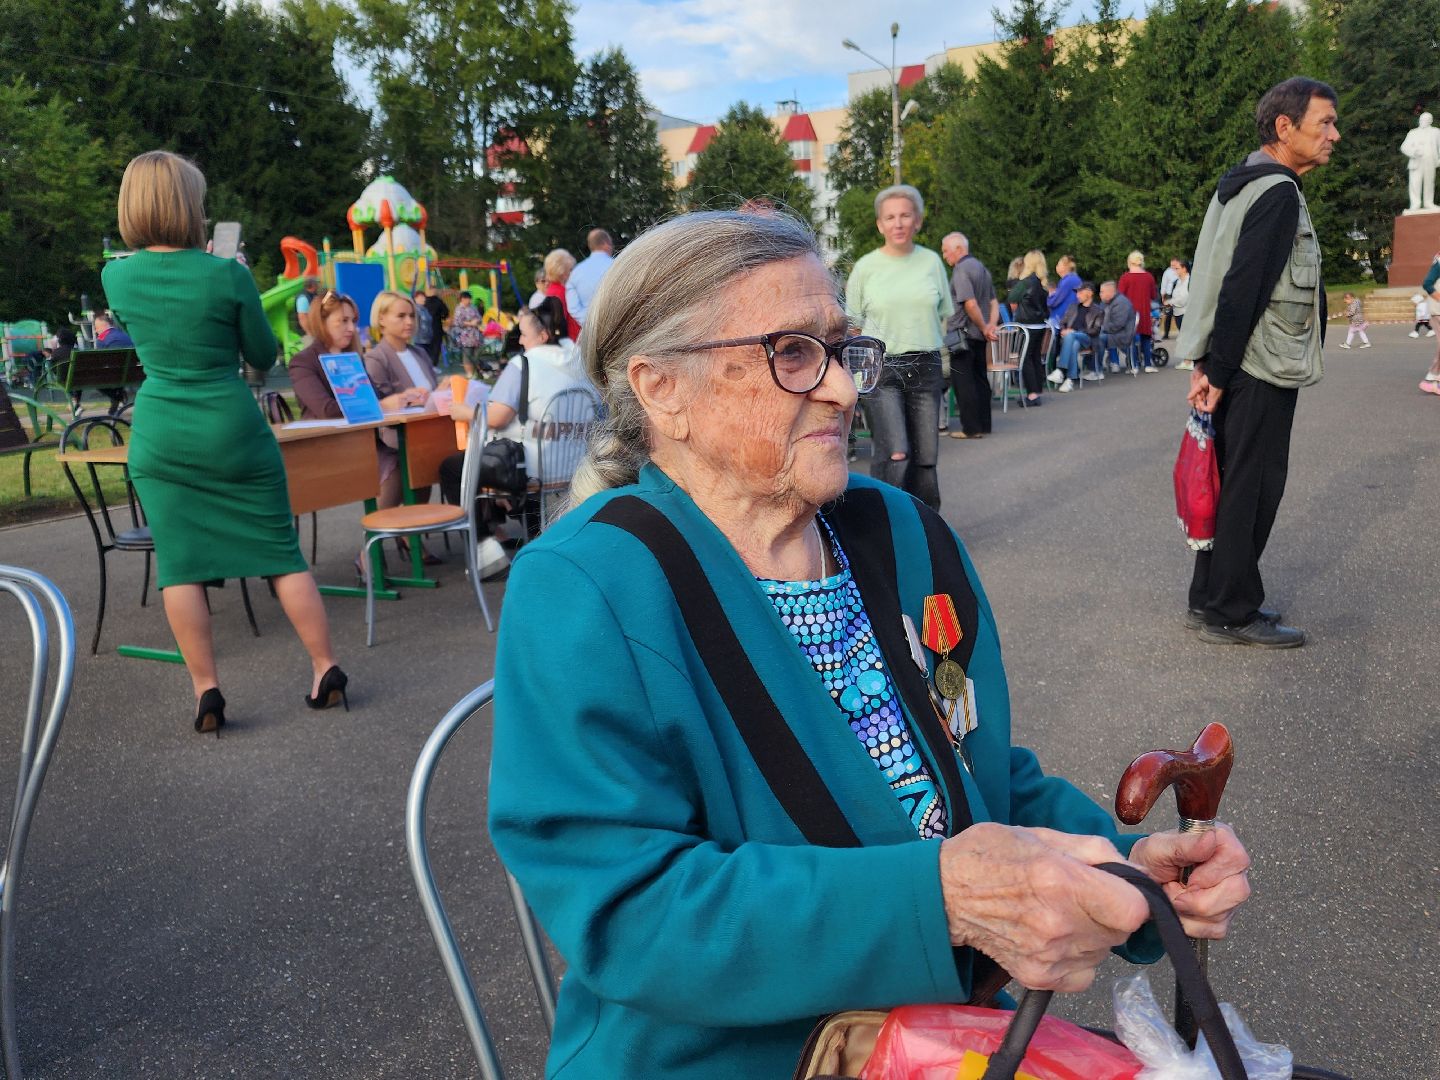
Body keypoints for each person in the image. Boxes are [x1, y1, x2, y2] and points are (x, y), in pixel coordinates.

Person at [487, 210, 1254, 1080]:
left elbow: (975, 770)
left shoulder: (899, 534)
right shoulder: (585, 586)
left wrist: (1130, 875)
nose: (846, 390)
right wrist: (943, 902)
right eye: (791, 354)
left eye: (839, 347)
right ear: (663, 389)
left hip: (947, 1038)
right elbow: (631, 912)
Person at [101, 150, 347, 733]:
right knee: (280, 555)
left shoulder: (116, 276)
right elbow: (263, 356)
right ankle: (324, 667)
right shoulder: (228, 275)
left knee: (180, 567)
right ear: (190, 206)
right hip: (232, 426)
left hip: (161, 433)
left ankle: (207, 691)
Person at [1180, 76, 1338, 648]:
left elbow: (1216, 277)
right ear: (1284, 127)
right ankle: (1232, 610)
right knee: (1255, 484)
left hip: (1237, 361)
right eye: (1324, 123)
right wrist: (1218, 374)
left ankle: (1212, 597)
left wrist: (1209, 365)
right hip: (1261, 364)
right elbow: (1243, 286)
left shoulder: (1242, 184)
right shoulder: (1277, 192)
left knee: (1229, 482)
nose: (1334, 135)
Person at [440, 302, 591, 577]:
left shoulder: (523, 364)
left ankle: (485, 551)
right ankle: (510, 536)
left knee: (453, 468)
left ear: (542, 335)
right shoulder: (581, 361)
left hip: (527, 467)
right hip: (573, 464)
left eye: (523, 334)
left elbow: (497, 416)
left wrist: (463, 410)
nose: (520, 341)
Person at [845, 185, 953, 508]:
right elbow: (851, 324)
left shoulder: (932, 262)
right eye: (890, 217)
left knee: (926, 456)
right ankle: (885, 521)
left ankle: (927, 525)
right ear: (880, 224)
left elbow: (944, 314)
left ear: (917, 221)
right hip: (882, 366)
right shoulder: (866, 268)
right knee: (896, 451)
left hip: (926, 363)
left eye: (906, 215)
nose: (898, 223)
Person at [364, 291, 439, 546]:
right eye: (401, 316)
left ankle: (411, 536)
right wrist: (403, 398)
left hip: (428, 433)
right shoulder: (376, 357)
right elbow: (374, 405)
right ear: (382, 319)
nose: (409, 322)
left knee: (438, 462)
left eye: (412, 316)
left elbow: (431, 392)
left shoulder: (420, 353)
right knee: (412, 464)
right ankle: (372, 549)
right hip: (395, 438)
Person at [941, 232, 999, 441]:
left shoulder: (961, 270)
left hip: (962, 334)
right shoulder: (982, 268)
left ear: (959, 249)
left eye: (946, 251)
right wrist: (990, 326)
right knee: (980, 379)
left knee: (964, 382)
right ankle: (984, 424)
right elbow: (993, 302)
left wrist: (984, 326)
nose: (945, 256)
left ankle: (971, 428)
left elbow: (970, 303)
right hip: (978, 335)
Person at [288, 290, 362, 420]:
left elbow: (375, 396)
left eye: (353, 321)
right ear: (322, 322)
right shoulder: (303, 362)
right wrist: (377, 406)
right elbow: (326, 410)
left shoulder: (353, 358)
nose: (352, 328)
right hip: (324, 438)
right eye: (344, 321)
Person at [1005, 249, 1049, 404]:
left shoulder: (1024, 283)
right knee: (1036, 357)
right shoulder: (1042, 283)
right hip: (1040, 325)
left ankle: (1032, 394)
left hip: (1027, 325)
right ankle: (1037, 390)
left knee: (1025, 359)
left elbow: (1011, 298)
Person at [1045, 280, 1105, 391]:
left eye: (1080, 292)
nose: (1077, 295)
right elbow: (1062, 322)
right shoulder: (1073, 306)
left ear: (1089, 293)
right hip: (1073, 340)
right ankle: (1069, 380)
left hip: (1088, 339)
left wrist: (1074, 332)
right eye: (1077, 292)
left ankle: (1060, 370)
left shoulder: (1098, 311)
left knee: (1072, 336)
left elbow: (1095, 330)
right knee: (1074, 344)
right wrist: (1064, 329)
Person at [565, 227, 615, 329]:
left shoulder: (576, 272)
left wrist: (590, 322)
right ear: (606, 243)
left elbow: (573, 308)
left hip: (589, 331)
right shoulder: (618, 265)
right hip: (617, 327)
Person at [1118, 251, 1159, 372]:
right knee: (1146, 337)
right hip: (1145, 311)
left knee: (1132, 338)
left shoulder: (1125, 277)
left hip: (1130, 312)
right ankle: (1148, 364)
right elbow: (1153, 295)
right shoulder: (1149, 277)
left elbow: (1120, 296)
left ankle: (1134, 365)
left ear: (1129, 262)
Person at [543, 248, 581, 341]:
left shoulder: (555, 290)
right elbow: (560, 323)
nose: (573, 273)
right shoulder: (561, 292)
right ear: (561, 271)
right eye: (570, 269)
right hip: (571, 343)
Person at [1098, 281, 1135, 371]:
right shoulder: (1108, 302)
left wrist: (1101, 328)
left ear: (1110, 292)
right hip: (1115, 331)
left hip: (1124, 333)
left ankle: (1097, 368)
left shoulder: (1120, 302)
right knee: (1096, 335)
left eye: (1102, 292)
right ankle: (1106, 364)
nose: (1100, 294)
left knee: (1099, 338)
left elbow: (1117, 324)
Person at [448, 292, 484, 377]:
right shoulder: (459, 309)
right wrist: (470, 323)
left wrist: (477, 321)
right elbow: (457, 322)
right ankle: (469, 373)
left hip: (475, 334)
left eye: (470, 299)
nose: (469, 301)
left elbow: (479, 318)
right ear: (462, 299)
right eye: (468, 299)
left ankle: (476, 372)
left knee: (476, 354)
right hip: (465, 335)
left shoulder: (473, 307)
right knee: (467, 354)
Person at [1046, 255, 1081, 328]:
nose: (1057, 266)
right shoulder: (1073, 279)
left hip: (1060, 316)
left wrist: (1049, 298)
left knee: (1048, 336)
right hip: (1068, 316)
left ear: (1065, 267)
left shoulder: (1068, 280)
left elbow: (1055, 300)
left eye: (1059, 264)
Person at [1171, 262, 1194, 369]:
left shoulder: (1189, 281)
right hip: (1178, 312)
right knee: (1183, 336)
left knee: (1188, 336)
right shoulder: (1178, 281)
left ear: (1184, 269)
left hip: (1186, 312)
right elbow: (1176, 295)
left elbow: (1184, 298)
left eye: (1177, 268)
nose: (1175, 271)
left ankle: (1190, 360)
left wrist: (1171, 302)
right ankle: (1186, 360)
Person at [421, 285, 450, 368]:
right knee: (436, 347)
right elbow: (445, 314)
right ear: (435, 291)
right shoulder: (439, 302)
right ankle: (433, 365)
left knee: (426, 348)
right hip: (436, 328)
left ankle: (425, 365)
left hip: (423, 330)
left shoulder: (423, 301)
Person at [1159, 257, 1182, 340]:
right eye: (1171, 265)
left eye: (1174, 264)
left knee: (1179, 314)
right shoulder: (1167, 272)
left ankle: (1182, 333)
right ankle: (1166, 333)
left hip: (1179, 294)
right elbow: (1164, 283)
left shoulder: (1180, 270)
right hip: (1169, 295)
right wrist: (1163, 295)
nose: (1172, 266)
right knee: (1168, 314)